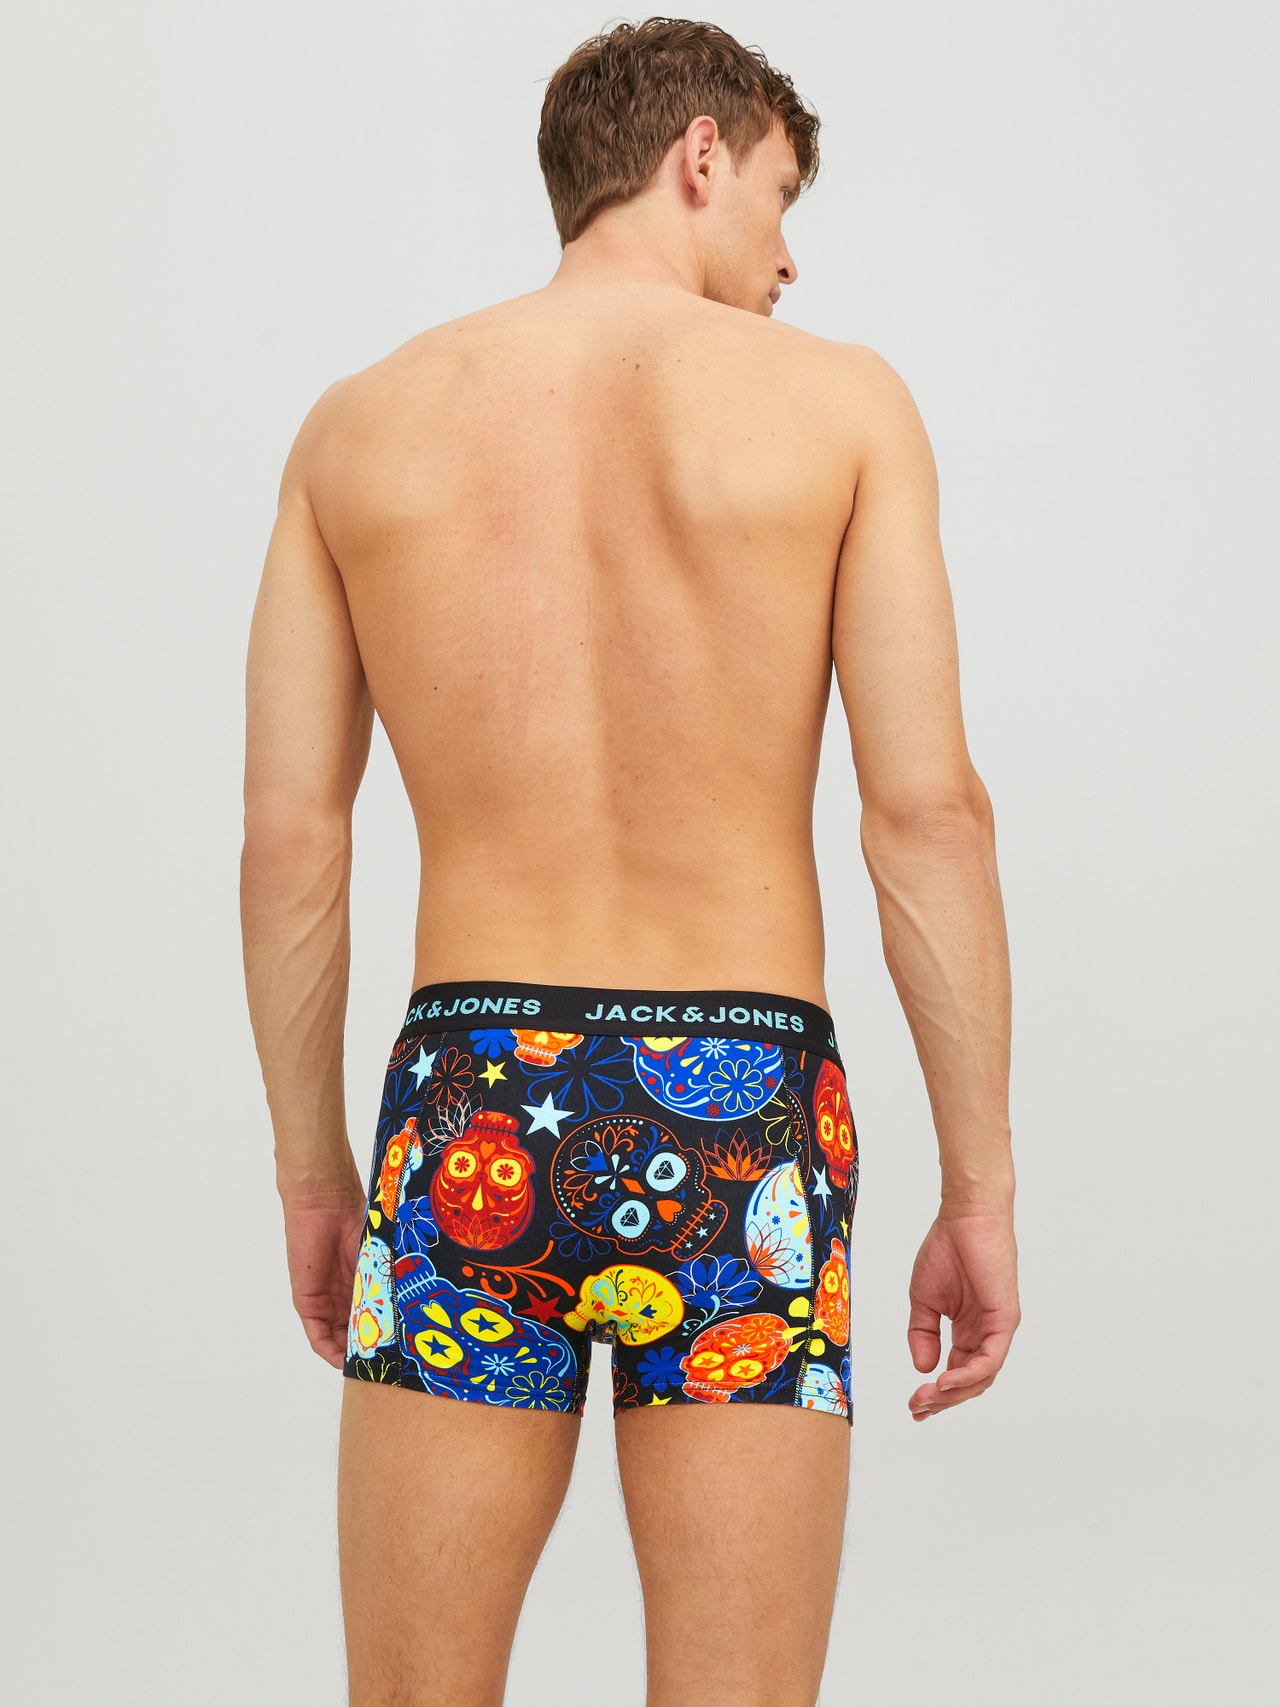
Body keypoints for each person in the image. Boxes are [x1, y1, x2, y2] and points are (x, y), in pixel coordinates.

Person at [240, 17, 1018, 1707]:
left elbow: (294, 843)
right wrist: (981, 1188)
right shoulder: (844, 407)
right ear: (701, 156)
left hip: (469, 1104)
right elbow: (926, 814)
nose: (791, 257)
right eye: (785, 199)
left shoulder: (357, 428)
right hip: (745, 1121)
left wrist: (315, 1175)